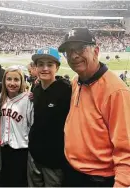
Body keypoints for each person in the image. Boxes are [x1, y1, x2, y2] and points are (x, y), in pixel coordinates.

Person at [58, 27, 130, 187]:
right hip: (72, 173)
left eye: (80, 48)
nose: (74, 55)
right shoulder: (77, 81)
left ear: (96, 50)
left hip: (97, 180)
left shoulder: (116, 91)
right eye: (68, 51)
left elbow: (126, 150)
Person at [28, 47, 72, 187]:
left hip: (54, 161)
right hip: (35, 156)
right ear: (35, 67)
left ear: (57, 68)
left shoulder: (66, 90)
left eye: (50, 64)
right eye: (41, 64)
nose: (45, 68)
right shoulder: (36, 89)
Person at [0, 67, 34, 187]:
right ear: (4, 81)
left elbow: (32, 125)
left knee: (18, 183)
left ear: (22, 82)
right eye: (9, 79)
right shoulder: (1, 97)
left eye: (16, 79)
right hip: (3, 149)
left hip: (21, 150)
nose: (12, 83)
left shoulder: (28, 99)